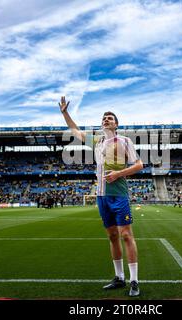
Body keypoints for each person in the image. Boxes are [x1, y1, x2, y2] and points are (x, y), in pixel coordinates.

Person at [60, 96, 143, 297]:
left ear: (116, 124)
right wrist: (64, 113)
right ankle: (119, 277)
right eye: (104, 118)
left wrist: (118, 174)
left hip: (119, 195)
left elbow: (139, 165)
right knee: (112, 236)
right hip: (101, 196)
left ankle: (134, 281)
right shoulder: (97, 141)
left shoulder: (124, 141)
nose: (106, 119)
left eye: (110, 118)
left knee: (126, 235)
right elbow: (75, 131)